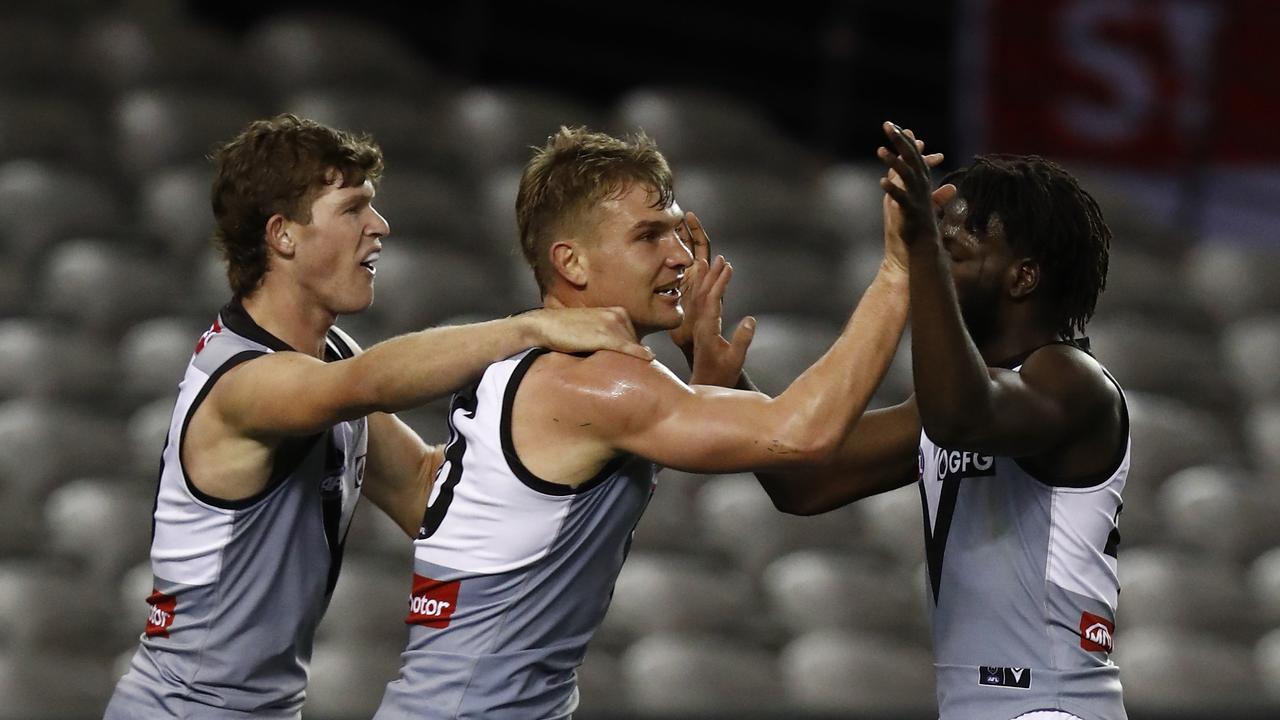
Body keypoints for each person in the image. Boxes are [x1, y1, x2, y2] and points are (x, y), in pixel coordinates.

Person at [103, 114, 654, 720]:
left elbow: (424, 490)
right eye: (353, 208)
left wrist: (583, 447)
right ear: (283, 236)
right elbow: (363, 385)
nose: (379, 226)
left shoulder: (326, 355)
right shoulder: (242, 382)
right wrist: (527, 327)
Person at [371, 124, 931, 719]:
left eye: (676, 231)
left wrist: (704, 387)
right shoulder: (591, 383)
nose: (681, 256)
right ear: (573, 263)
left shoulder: (530, 370)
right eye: (648, 236)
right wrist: (899, 270)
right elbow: (802, 434)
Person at [751, 124, 1128, 720]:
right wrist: (720, 375)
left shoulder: (1074, 381)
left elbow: (961, 418)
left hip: (1052, 706)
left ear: (1023, 276)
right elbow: (804, 485)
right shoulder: (953, 404)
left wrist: (920, 251)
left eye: (955, 254)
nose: (935, 266)